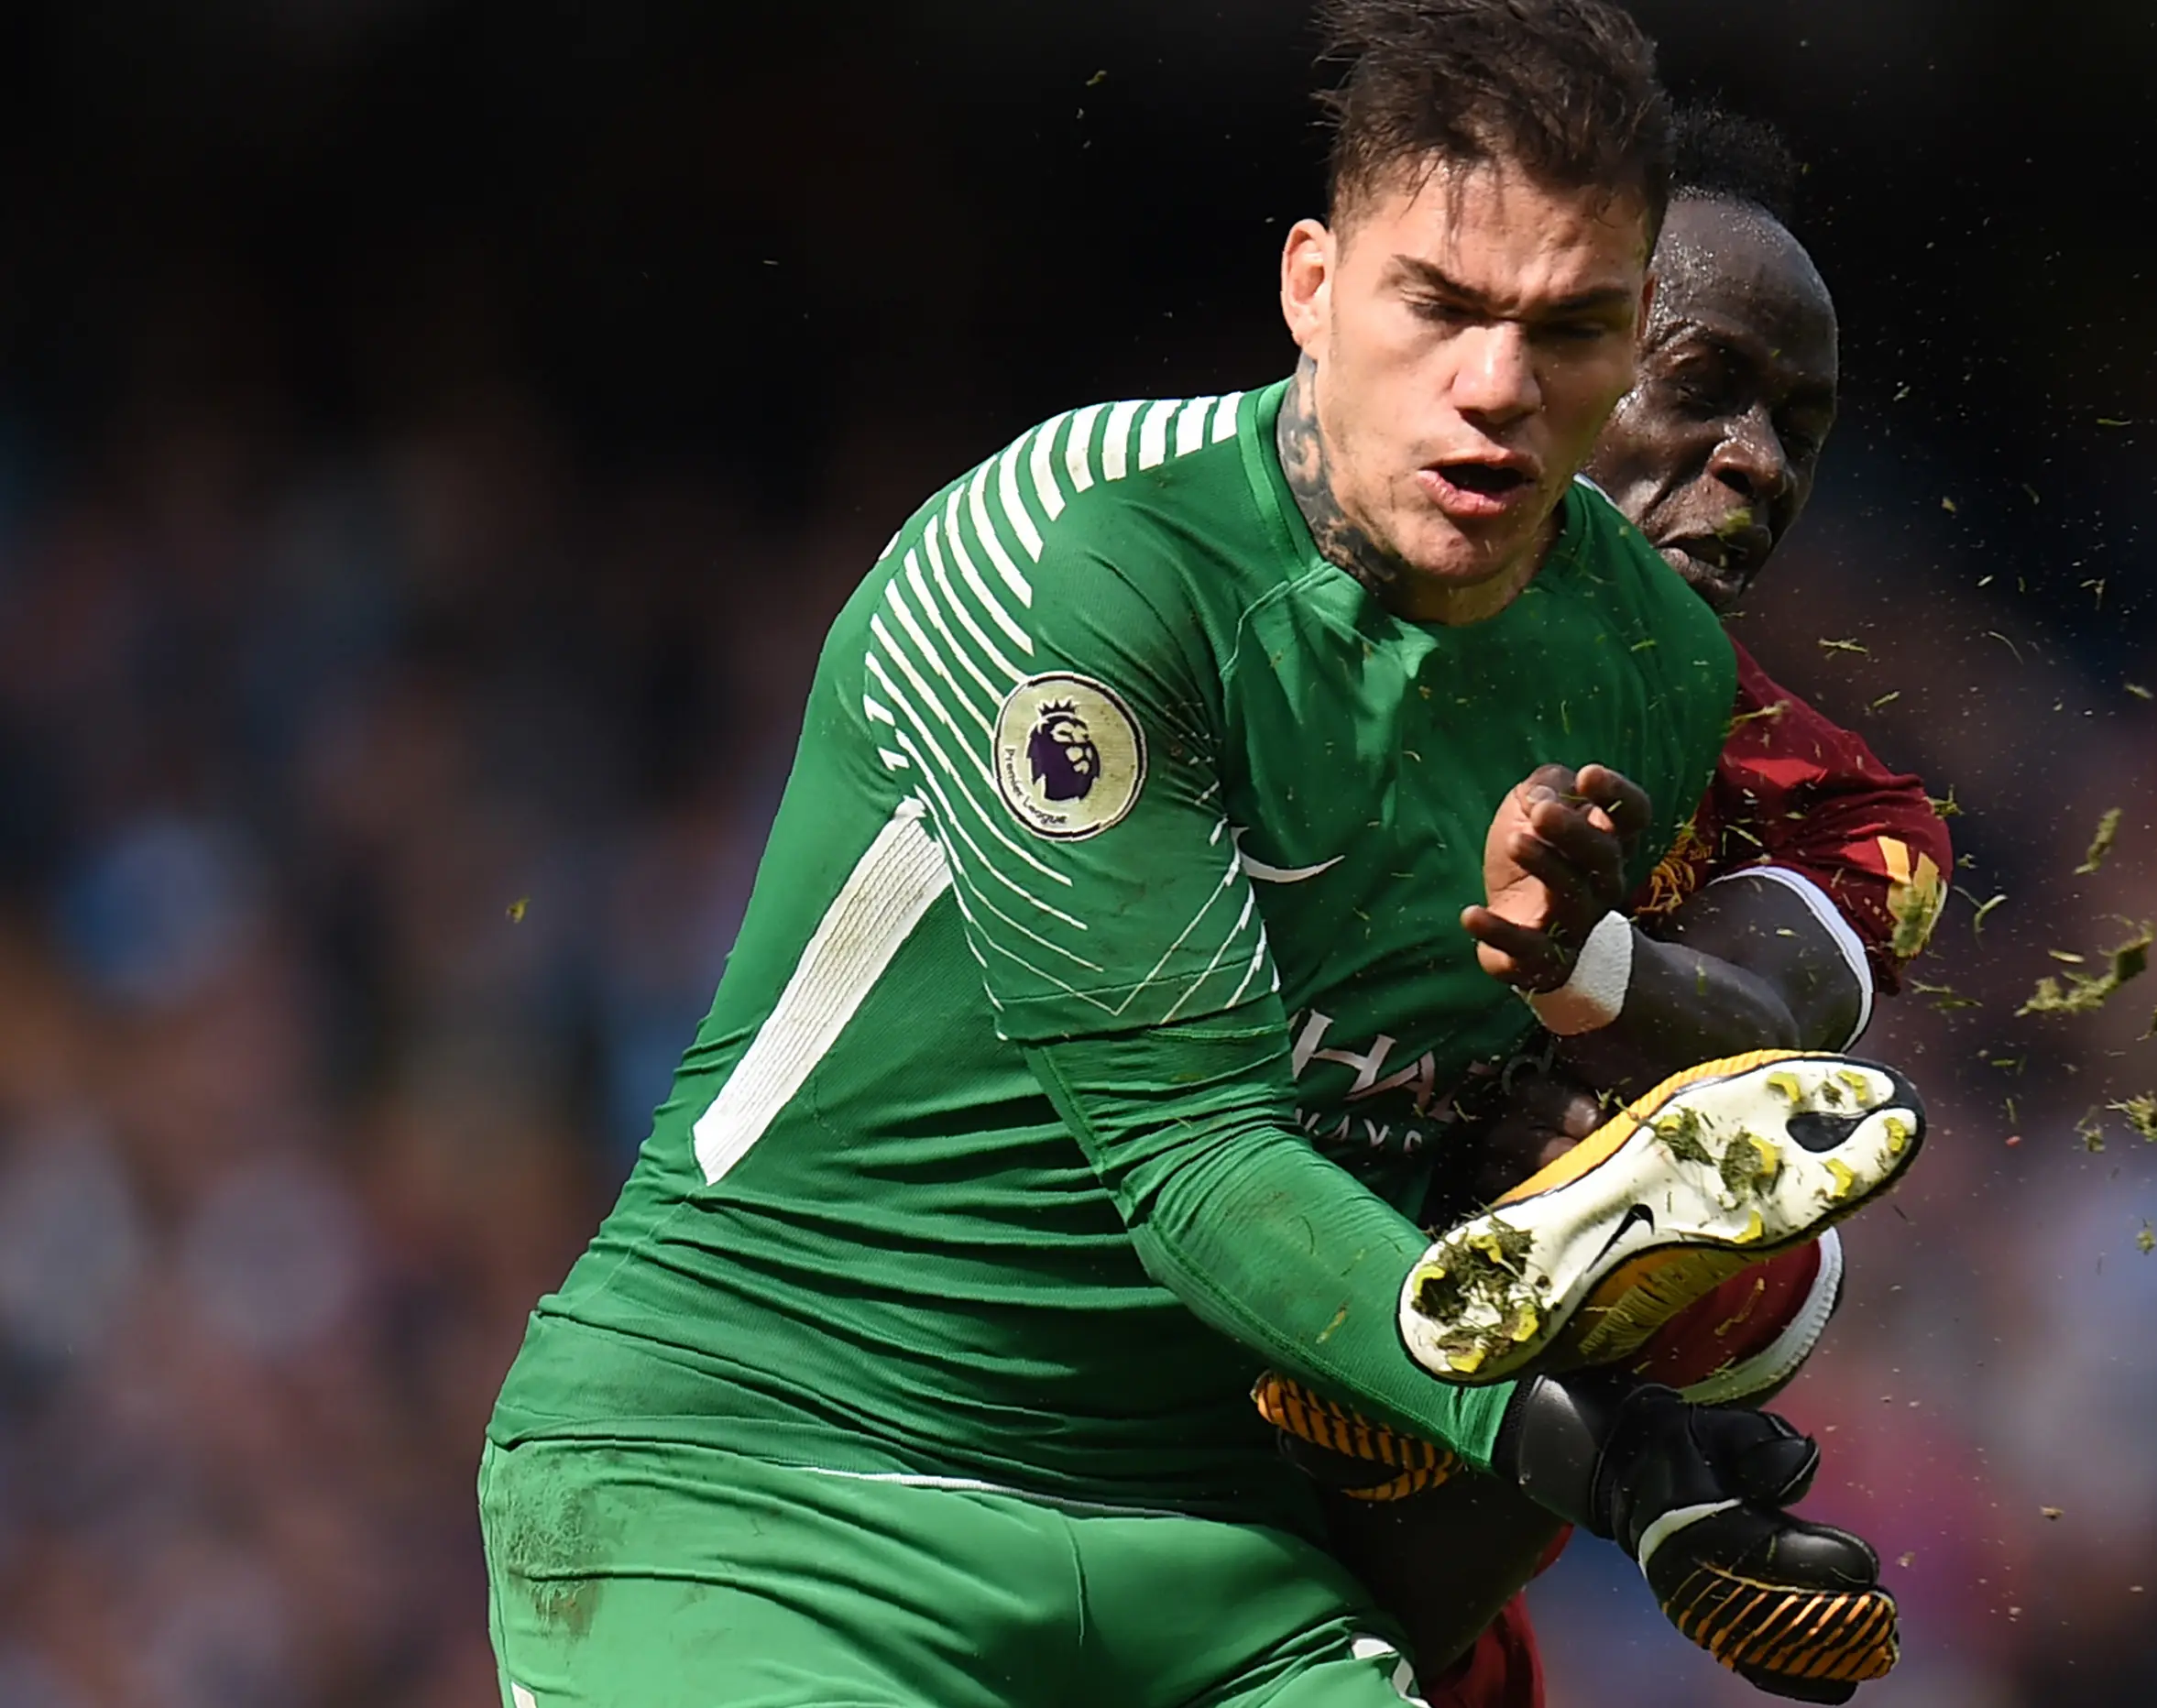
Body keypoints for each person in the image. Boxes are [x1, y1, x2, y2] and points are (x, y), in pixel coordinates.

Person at [476, 5, 1916, 1706]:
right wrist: (1595, 1466)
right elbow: (1201, 1164)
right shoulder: (1083, 558)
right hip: (776, 1482)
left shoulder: (1653, 679)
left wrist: (1653, 1443)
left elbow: (1432, 1192)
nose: (1499, 388)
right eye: (1440, 306)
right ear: (1311, 285)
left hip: (1215, 1564)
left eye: (1570, 327)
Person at [1258, 104, 1957, 1708]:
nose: (1762, 464)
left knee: (1758, 1181)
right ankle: (1636, 1471)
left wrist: (1588, 960)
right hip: (1064, 1376)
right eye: (1706, 388)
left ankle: (1486, 1387)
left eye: (1803, 425)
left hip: (1391, 1578)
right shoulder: (1266, 627)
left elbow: (1783, 1016)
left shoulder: (1835, 792)